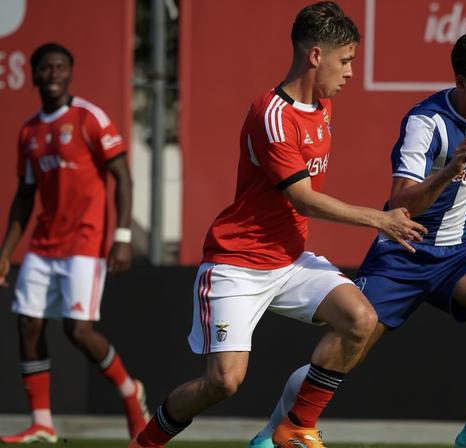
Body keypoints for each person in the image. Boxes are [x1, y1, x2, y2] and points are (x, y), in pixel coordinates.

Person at [129, 2, 426, 447]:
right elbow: (301, 198)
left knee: (360, 319)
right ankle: (145, 442)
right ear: (314, 57)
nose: (349, 73)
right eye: (344, 61)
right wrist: (379, 219)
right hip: (237, 265)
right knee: (224, 383)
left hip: (288, 262)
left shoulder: (323, 107)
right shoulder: (271, 114)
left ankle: (292, 428)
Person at [248, 30, 466, 448]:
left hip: (460, 252)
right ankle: (270, 435)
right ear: (461, 82)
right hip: (404, 252)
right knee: (343, 351)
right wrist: (450, 169)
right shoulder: (426, 123)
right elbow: (404, 204)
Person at [0, 42, 149, 444]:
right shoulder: (30, 131)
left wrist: (121, 237)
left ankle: (130, 393)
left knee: (78, 330)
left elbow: (123, 176)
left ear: (70, 72)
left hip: (85, 243)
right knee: (28, 324)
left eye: (60, 67)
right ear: (33, 76)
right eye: (44, 68)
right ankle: (42, 422)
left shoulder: (88, 118)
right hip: (42, 245)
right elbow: (25, 195)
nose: (52, 73)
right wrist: (5, 252)